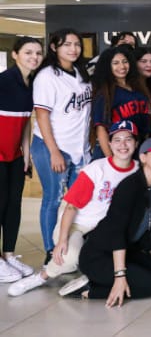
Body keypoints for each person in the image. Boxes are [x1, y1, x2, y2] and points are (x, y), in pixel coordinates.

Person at [8, 121, 139, 296]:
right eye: (117, 140)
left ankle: (88, 277)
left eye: (128, 139)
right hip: (78, 224)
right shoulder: (96, 169)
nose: (123, 145)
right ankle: (42, 276)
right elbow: (71, 208)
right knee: (69, 257)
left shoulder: (138, 170)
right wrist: (62, 240)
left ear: (136, 143)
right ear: (109, 143)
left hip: (105, 228)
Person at [67, 137, 151, 305]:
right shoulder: (129, 186)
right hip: (99, 255)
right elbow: (116, 232)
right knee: (150, 285)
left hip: (128, 251)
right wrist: (120, 275)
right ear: (143, 157)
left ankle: (112, 281)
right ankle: (90, 289)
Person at [31, 28, 92, 264]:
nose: (73, 49)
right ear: (54, 47)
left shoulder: (80, 72)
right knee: (53, 199)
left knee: (76, 202)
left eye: (77, 44)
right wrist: (54, 151)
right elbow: (42, 116)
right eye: (67, 44)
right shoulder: (47, 76)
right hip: (52, 147)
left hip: (78, 148)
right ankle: (50, 250)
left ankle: (70, 245)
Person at [0, 37, 42, 283]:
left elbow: (26, 121)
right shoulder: (4, 81)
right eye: (28, 52)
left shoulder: (32, 84)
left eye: (38, 53)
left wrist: (26, 154)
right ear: (15, 54)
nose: (34, 57)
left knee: (13, 206)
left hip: (14, 156)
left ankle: (9, 255)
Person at [90, 46, 151, 158]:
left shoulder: (138, 87)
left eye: (125, 62)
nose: (122, 66)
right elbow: (101, 129)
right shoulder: (105, 92)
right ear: (107, 67)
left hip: (135, 148)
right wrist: (111, 160)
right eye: (115, 63)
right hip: (114, 151)